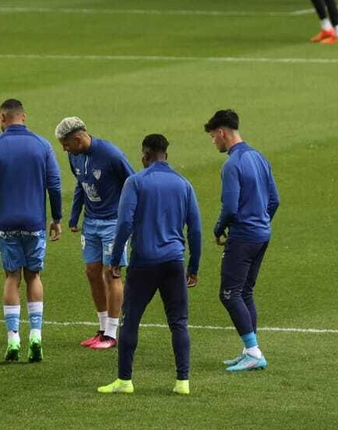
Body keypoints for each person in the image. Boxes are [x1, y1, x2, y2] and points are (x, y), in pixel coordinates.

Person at [97, 134, 201, 397]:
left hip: (143, 263)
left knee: (130, 320)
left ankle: (125, 380)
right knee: (178, 322)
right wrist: (194, 266)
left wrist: (115, 259)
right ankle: (182, 382)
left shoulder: (136, 182)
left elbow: (123, 224)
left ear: (145, 155)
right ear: (166, 154)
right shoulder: (183, 184)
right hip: (174, 263)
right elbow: (196, 230)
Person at [0, 98, 63, 364]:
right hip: (34, 222)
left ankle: (13, 338)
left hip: (6, 224)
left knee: (12, 277)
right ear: (24, 116)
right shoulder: (42, 145)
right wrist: (56, 217)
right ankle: (36, 335)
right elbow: (55, 185)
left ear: (2, 118)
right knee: (33, 276)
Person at [204, 110, 278, 373]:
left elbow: (230, 207)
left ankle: (255, 352)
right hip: (262, 235)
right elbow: (274, 200)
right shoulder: (258, 157)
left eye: (213, 137)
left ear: (222, 132)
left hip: (244, 237)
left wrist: (218, 229)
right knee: (245, 292)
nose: (214, 142)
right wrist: (261, 222)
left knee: (229, 294)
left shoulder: (232, 164)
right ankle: (250, 350)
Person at [54, 117, 133, 350]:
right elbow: (81, 184)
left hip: (113, 223)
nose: (64, 149)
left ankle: (111, 332)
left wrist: (131, 219)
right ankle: (101, 329)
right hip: (91, 222)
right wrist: (74, 214)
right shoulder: (74, 156)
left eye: (66, 144)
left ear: (78, 138)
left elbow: (134, 183)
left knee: (112, 273)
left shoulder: (111, 155)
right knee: (92, 271)